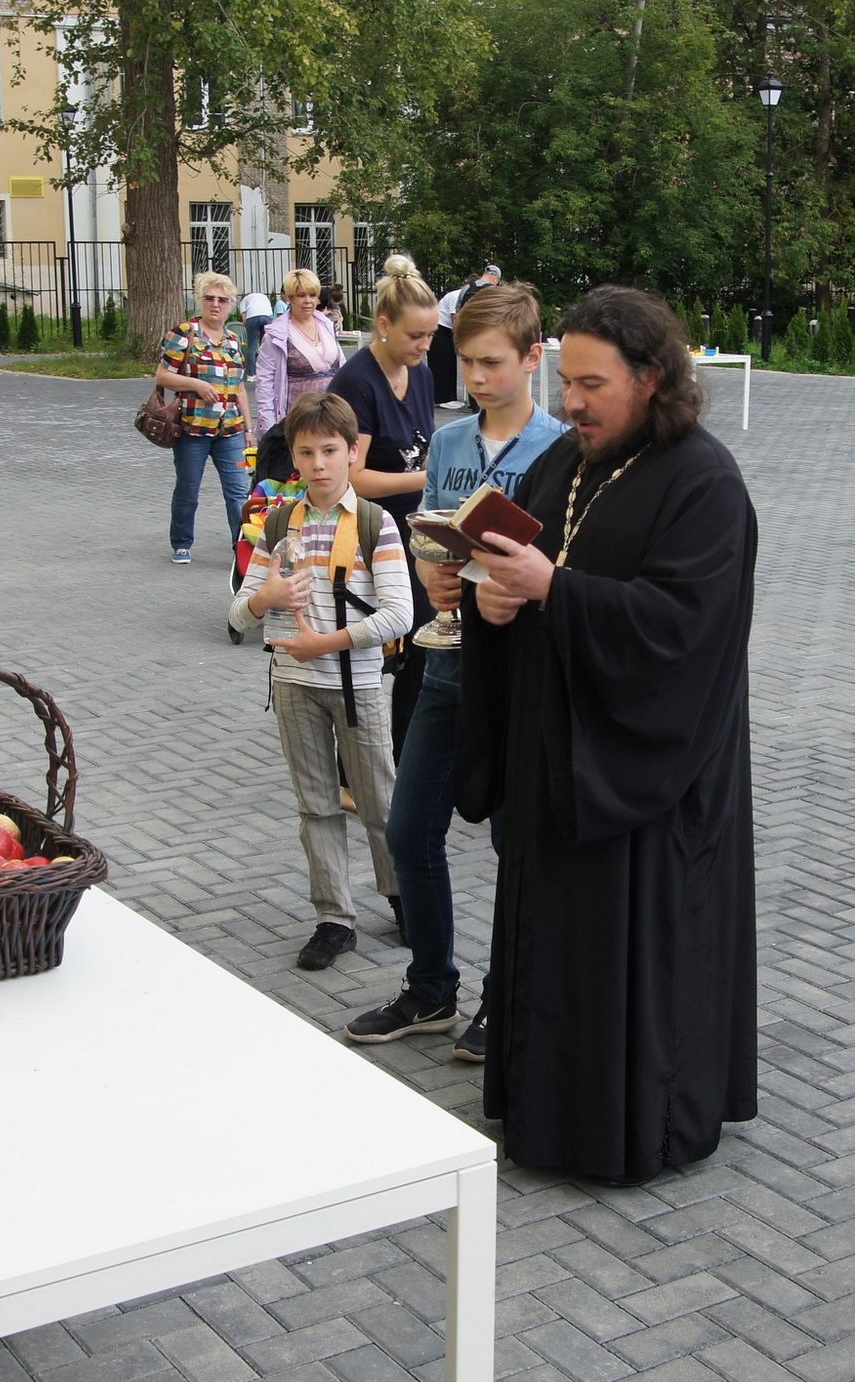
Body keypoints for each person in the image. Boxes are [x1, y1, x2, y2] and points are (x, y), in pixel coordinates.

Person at [456, 285, 758, 1185]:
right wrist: (487, 598)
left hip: (646, 785)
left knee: (634, 963)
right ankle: (548, 1112)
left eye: (592, 384)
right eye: (565, 378)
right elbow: (529, 570)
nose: (572, 401)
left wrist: (556, 592)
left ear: (653, 378)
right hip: (561, 764)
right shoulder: (571, 463)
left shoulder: (705, 483)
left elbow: (683, 630)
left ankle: (640, 1127)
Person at [344, 282, 564, 1061]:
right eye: (465, 362)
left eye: (492, 363)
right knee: (409, 831)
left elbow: (563, 571)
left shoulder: (560, 449)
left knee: (513, 841)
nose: (476, 378)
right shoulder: (449, 444)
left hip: (517, 674)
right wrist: (435, 573)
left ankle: (508, 999)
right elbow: (431, 538)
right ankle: (432, 987)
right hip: (445, 661)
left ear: (534, 357)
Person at [229, 391, 413, 972]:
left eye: (330, 450)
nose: (319, 464)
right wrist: (267, 596)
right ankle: (334, 918)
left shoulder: (375, 524)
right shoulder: (279, 522)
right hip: (293, 686)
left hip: (356, 687)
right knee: (316, 807)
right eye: (306, 452)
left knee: (381, 802)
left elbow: (400, 614)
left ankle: (402, 897)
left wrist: (325, 643)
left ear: (351, 450)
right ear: (293, 457)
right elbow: (236, 615)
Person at [327, 254, 437, 756]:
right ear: (384, 325)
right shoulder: (357, 381)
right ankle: (353, 773)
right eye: (416, 336)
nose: (424, 345)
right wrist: (424, 476)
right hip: (367, 534)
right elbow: (351, 478)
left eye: (431, 335)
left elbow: (426, 444)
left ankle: (403, 756)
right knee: (370, 657)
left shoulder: (422, 372)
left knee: (422, 647)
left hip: (415, 533)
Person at [155, 271, 254, 565]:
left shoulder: (235, 340)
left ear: (231, 305)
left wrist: (249, 428)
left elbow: (239, 388)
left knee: (238, 491)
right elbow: (162, 375)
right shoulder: (184, 334)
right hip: (192, 429)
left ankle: (242, 546)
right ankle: (182, 541)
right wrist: (196, 385)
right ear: (200, 301)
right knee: (188, 488)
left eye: (222, 300)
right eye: (209, 298)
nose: (216, 305)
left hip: (231, 430)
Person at [253, 268, 344, 438]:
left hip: (332, 417)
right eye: (301, 295)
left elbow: (343, 370)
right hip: (296, 421)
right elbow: (265, 384)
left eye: (312, 295)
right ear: (289, 297)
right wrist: (270, 429)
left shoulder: (326, 325)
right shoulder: (277, 334)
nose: (308, 301)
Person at [433, 266, 501, 410]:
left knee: (463, 364)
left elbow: (457, 315)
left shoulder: (465, 290)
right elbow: (455, 317)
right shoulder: (490, 291)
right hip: (441, 328)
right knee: (444, 364)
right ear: (495, 278)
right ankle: (445, 398)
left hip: (460, 332)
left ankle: (465, 401)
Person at [238, 286, 274, 379]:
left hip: (252, 317)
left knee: (252, 347)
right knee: (266, 346)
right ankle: (266, 372)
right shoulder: (263, 296)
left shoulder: (243, 301)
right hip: (267, 316)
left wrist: (250, 330)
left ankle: (251, 375)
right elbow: (270, 313)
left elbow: (244, 318)